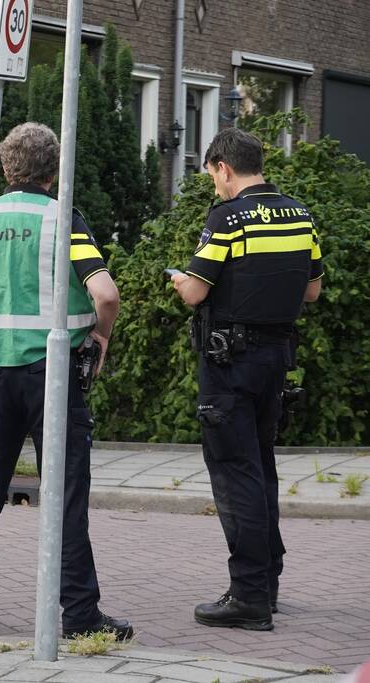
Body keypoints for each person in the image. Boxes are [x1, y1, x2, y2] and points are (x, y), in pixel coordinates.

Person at [0, 122, 131, 640]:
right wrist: (102, 341)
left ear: (6, 168)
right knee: (64, 496)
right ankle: (81, 617)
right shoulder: (62, 219)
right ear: (54, 170)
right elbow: (106, 295)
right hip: (52, 378)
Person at [171, 128, 323, 631]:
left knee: (236, 476)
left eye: (212, 173)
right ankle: (268, 583)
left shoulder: (228, 218)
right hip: (275, 358)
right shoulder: (300, 214)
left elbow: (195, 292)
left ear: (223, 168)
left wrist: (179, 280)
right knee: (260, 468)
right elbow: (313, 290)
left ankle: (249, 597)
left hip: (229, 363)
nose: (214, 183)